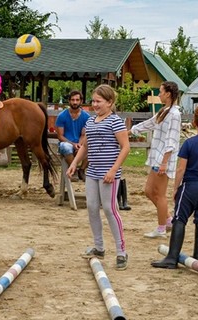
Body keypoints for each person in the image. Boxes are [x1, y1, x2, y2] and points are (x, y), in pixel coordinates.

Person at [151, 104, 198, 269]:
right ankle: (197, 258)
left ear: (193, 122)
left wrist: (175, 187)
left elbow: (181, 168)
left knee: (180, 219)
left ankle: (172, 257)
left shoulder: (189, 143)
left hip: (190, 186)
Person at [67, 84, 130, 270]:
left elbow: (125, 147)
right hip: (92, 172)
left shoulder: (115, 121)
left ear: (109, 102)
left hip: (108, 173)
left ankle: (121, 251)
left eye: (99, 101)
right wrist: (74, 163)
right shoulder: (90, 121)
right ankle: (99, 247)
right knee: (92, 208)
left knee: (110, 210)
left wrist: (112, 170)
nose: (95, 104)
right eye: (93, 101)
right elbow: (85, 146)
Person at [131, 81, 181, 238]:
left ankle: (161, 228)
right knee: (148, 191)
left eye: (160, 92)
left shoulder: (174, 114)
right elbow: (150, 123)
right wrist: (130, 131)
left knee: (159, 194)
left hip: (163, 160)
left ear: (168, 94)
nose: (158, 94)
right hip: (157, 157)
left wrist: (164, 162)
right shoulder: (164, 111)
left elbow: (171, 140)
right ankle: (168, 220)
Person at [55, 90, 90, 181]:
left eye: (77, 100)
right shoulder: (62, 116)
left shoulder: (86, 117)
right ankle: (73, 170)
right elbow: (60, 136)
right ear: (69, 101)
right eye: (73, 100)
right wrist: (73, 144)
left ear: (81, 101)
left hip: (80, 142)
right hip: (66, 142)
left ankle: (81, 170)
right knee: (66, 147)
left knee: (92, 146)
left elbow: (84, 134)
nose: (75, 102)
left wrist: (79, 144)